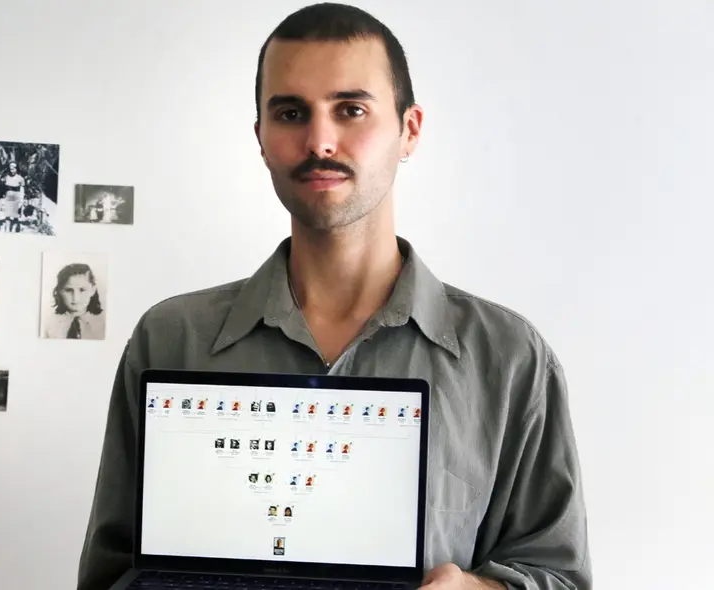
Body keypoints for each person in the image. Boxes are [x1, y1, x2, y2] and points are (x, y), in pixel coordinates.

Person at [76, 3, 591, 590]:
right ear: (261, 138)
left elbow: (560, 575)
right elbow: (111, 575)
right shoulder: (170, 338)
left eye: (351, 109)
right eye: (291, 113)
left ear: (410, 130)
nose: (319, 141)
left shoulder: (509, 357)